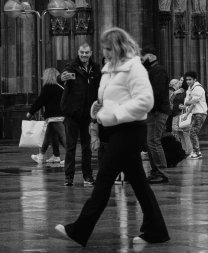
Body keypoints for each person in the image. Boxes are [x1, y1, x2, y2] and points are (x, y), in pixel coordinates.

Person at [55, 27, 170, 247]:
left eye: (108, 49)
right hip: (116, 130)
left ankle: (80, 229)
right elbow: (107, 98)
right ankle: (156, 229)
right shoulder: (109, 69)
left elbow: (146, 101)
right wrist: (96, 109)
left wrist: (116, 113)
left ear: (118, 47)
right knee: (139, 183)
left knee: (104, 179)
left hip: (130, 130)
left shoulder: (134, 68)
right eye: (104, 49)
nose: (104, 53)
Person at [59, 42, 101, 186]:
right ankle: (68, 177)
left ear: (91, 53)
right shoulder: (71, 67)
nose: (84, 55)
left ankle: (88, 176)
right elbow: (61, 77)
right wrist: (61, 78)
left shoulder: (95, 69)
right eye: (82, 52)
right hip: (72, 112)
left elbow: (100, 87)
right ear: (78, 52)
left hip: (88, 113)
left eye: (87, 52)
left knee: (86, 147)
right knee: (70, 146)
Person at [141, 45, 170, 184]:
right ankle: (155, 171)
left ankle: (161, 172)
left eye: (143, 57)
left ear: (151, 56)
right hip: (154, 110)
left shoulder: (158, 70)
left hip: (157, 111)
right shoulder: (152, 70)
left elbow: (156, 93)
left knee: (154, 141)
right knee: (150, 141)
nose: (141, 59)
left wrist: (150, 108)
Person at [27, 68, 66, 164]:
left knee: (62, 136)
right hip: (60, 115)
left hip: (54, 116)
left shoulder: (47, 87)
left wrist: (31, 112)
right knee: (49, 136)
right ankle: (48, 156)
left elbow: (40, 101)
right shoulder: (60, 87)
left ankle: (70, 156)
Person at [181, 71, 208, 159]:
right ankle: (196, 151)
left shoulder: (198, 88)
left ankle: (197, 152)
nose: (188, 81)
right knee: (192, 132)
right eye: (187, 79)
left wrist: (187, 103)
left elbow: (193, 102)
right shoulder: (190, 88)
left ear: (195, 79)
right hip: (196, 113)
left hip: (200, 113)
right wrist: (187, 113)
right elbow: (189, 102)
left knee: (193, 132)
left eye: (190, 79)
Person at [171, 77, 193, 156]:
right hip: (176, 114)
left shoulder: (185, 91)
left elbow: (187, 102)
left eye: (181, 81)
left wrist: (183, 106)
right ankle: (184, 150)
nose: (180, 82)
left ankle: (190, 151)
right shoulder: (177, 91)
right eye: (179, 80)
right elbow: (172, 101)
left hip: (181, 114)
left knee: (185, 133)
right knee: (179, 133)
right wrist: (174, 94)